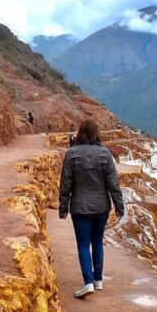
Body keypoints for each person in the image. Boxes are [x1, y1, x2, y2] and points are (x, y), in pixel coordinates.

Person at [58, 120, 124, 299]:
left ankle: (87, 283)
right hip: (101, 206)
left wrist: (63, 208)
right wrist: (119, 205)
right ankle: (98, 279)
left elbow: (66, 183)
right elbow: (113, 184)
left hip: (79, 207)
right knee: (97, 242)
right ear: (96, 133)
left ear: (80, 132)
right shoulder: (105, 154)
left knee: (83, 244)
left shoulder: (71, 154)